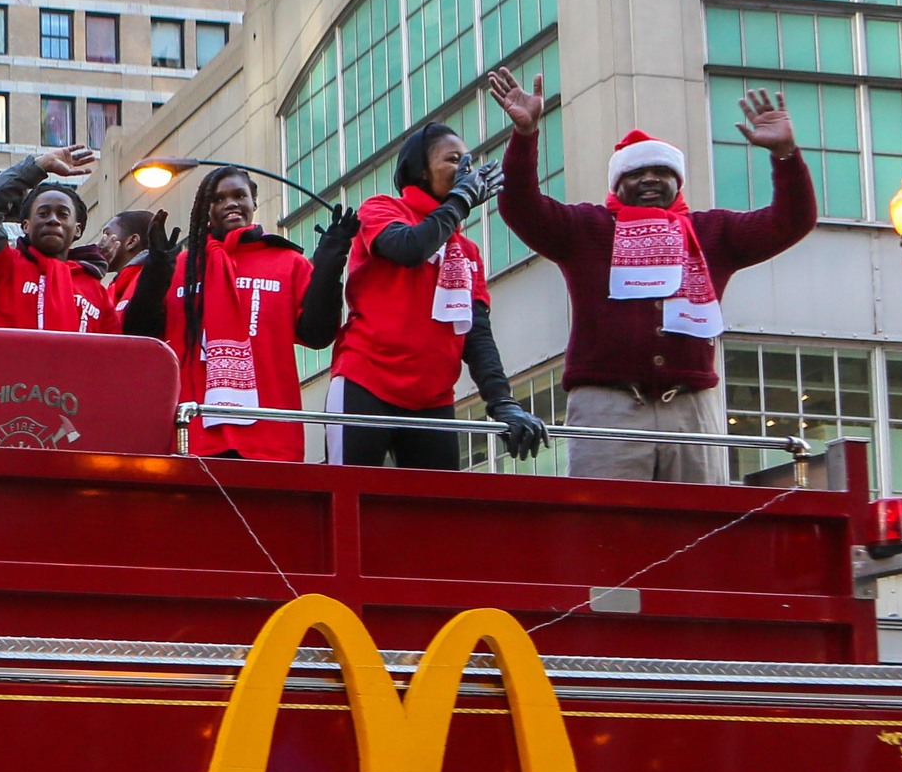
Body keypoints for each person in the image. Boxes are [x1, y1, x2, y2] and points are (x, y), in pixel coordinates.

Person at [483, 67, 815, 483]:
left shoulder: (712, 233)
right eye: (636, 173)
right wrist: (525, 136)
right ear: (617, 184)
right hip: (609, 404)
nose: (650, 180)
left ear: (678, 182)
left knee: (699, 529)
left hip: (691, 407)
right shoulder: (588, 229)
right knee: (607, 531)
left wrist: (785, 157)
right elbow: (522, 208)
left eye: (661, 172)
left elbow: (792, 221)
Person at [328, 119, 548, 467]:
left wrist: (502, 402)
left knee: (436, 513)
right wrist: (461, 200)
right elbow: (407, 247)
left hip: (433, 398)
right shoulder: (383, 209)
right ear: (420, 170)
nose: (465, 169)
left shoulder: (468, 250)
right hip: (365, 383)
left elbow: (475, 334)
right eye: (452, 159)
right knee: (349, 506)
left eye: (468, 161)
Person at [121, 164, 340, 460]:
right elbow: (137, 334)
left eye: (239, 195)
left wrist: (329, 268)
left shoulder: (289, 263)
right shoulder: (178, 267)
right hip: (192, 437)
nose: (231, 203)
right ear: (204, 209)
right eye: (218, 199)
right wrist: (156, 270)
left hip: (271, 438)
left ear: (254, 202)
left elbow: (318, 335)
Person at [0, 146, 110, 331]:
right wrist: (39, 166)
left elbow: (112, 354)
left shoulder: (95, 290)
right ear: (25, 225)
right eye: (43, 213)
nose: (52, 220)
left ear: (78, 230)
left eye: (63, 214)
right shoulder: (2, 266)